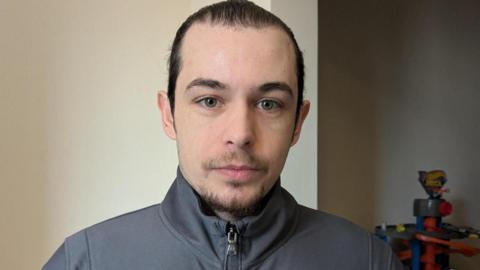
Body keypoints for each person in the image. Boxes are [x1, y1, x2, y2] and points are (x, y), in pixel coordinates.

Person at [43, 1, 404, 269]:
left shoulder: (367, 260)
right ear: (168, 115)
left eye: (268, 104)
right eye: (210, 100)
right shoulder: (87, 261)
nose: (240, 134)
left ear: (297, 122)